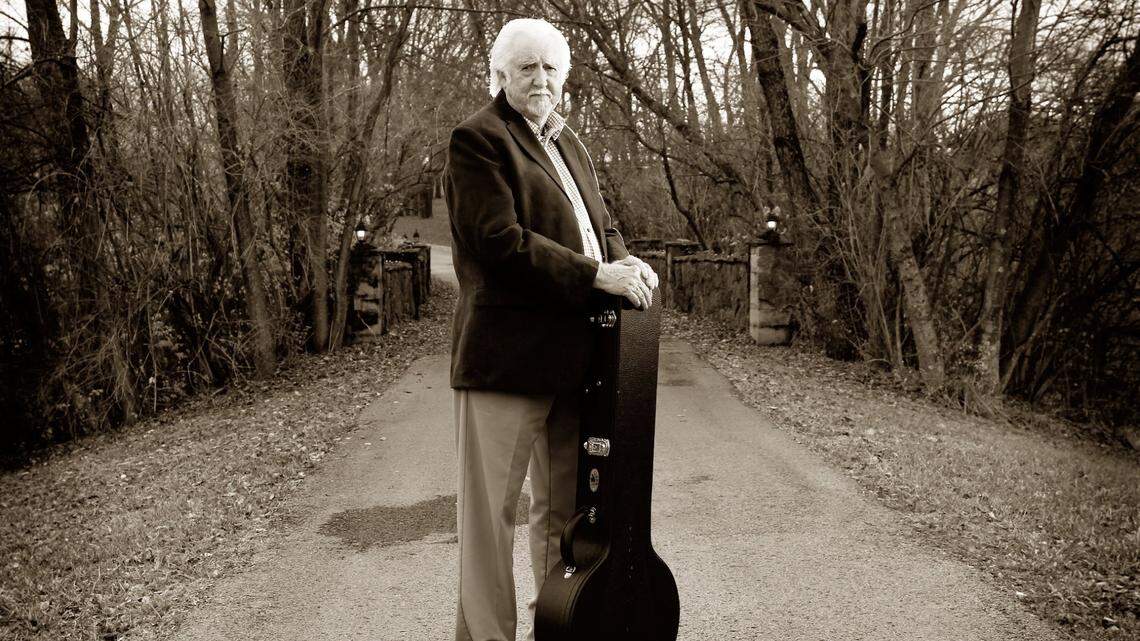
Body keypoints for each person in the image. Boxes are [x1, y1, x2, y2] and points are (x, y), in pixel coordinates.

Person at [443, 17, 659, 641]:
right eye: (527, 67)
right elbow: (499, 242)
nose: (540, 79)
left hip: (574, 363)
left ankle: (559, 632)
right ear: (501, 75)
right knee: (490, 527)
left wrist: (625, 260)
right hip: (504, 364)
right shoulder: (477, 139)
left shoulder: (570, 146)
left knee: (566, 520)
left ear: (565, 79)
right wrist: (598, 275)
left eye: (551, 68)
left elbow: (599, 224)